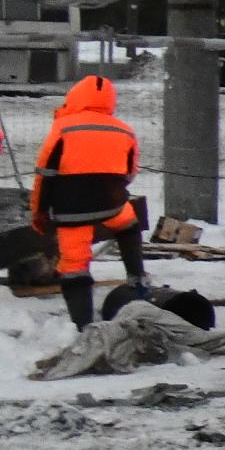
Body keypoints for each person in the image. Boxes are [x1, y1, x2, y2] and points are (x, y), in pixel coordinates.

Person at [31, 73, 149, 332]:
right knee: (128, 223)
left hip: (70, 211)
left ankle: (84, 325)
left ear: (74, 97)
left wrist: (39, 212)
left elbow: (45, 174)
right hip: (112, 204)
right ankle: (137, 279)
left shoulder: (63, 127)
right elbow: (129, 173)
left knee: (74, 265)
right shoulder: (124, 129)